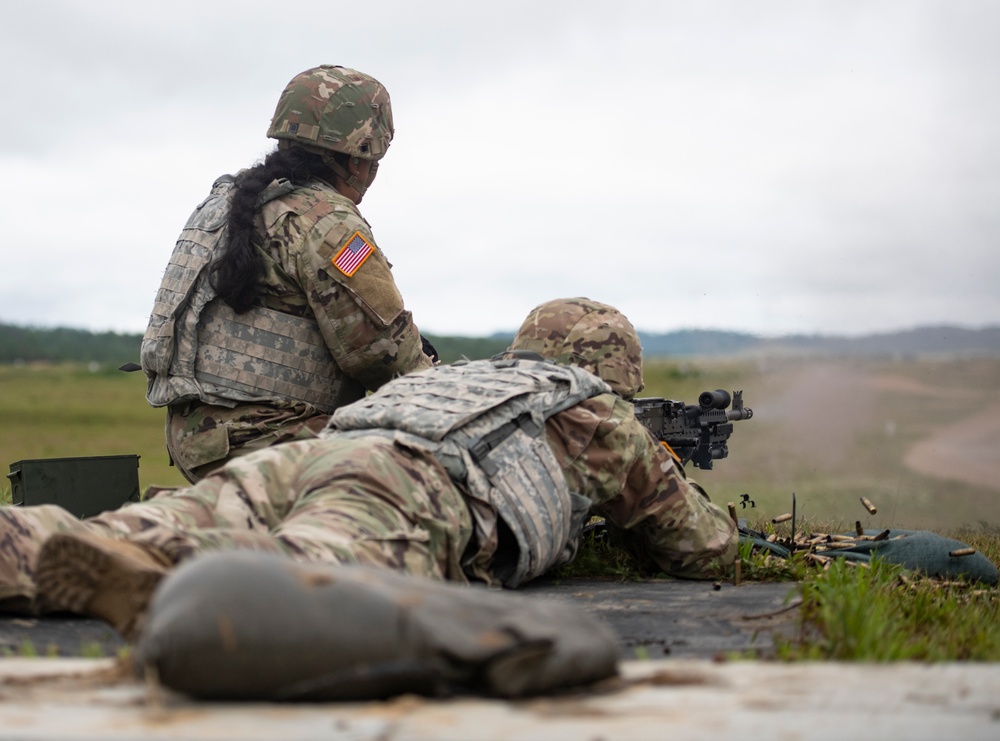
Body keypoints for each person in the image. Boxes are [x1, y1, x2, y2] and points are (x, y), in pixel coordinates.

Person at [1, 298, 738, 639]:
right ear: (613, 374)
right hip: (408, 483)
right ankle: (161, 569)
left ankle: (33, 542)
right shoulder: (596, 413)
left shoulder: (466, 375)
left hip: (313, 451)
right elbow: (701, 546)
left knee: (160, 510)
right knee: (314, 575)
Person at [139, 64, 434, 483]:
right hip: (269, 440)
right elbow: (382, 354)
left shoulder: (226, 202)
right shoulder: (328, 224)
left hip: (200, 441)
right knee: (431, 480)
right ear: (358, 157)